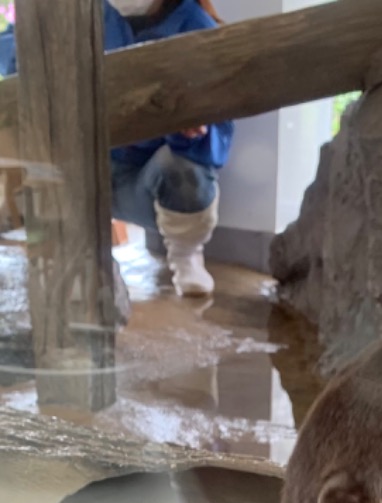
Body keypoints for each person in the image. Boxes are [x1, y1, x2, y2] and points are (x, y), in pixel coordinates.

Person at [0, 0, 234, 297]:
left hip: (151, 184)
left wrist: (189, 134)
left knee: (187, 171)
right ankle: (82, 259)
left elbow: (217, 139)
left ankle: (186, 254)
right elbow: (12, 50)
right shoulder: (86, 13)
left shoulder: (194, 25)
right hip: (90, 167)